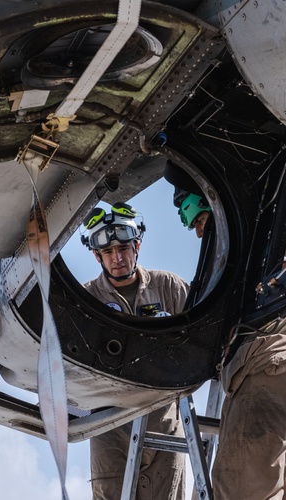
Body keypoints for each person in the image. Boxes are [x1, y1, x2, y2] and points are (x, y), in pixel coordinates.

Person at [173, 182, 286, 500]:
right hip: (270, 377)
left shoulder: (259, 231)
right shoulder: (238, 252)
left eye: (200, 222)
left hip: (264, 374)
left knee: (236, 486)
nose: (197, 234)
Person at [81, 202, 189, 500]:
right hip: (109, 427)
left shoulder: (168, 287)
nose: (117, 258)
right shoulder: (86, 299)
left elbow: (206, 337)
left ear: (137, 245)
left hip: (163, 425)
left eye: (124, 249)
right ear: (96, 255)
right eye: (108, 252)